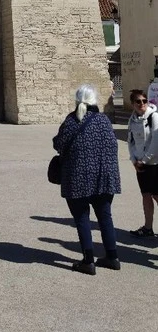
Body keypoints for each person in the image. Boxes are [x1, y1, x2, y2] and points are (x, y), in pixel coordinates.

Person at [52, 84, 121, 275]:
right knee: (105, 217)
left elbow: (58, 144)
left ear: (77, 101)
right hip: (104, 178)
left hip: (77, 178)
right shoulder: (104, 121)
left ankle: (88, 261)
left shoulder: (71, 121)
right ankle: (112, 257)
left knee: (82, 218)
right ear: (94, 101)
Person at [127, 88, 158, 237]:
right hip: (140, 164)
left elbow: (156, 142)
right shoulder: (132, 120)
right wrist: (134, 160)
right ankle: (148, 228)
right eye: (138, 101)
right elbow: (130, 141)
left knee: (157, 196)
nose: (142, 104)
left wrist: (145, 160)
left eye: (144, 101)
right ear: (132, 104)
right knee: (146, 195)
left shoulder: (154, 117)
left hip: (154, 163)